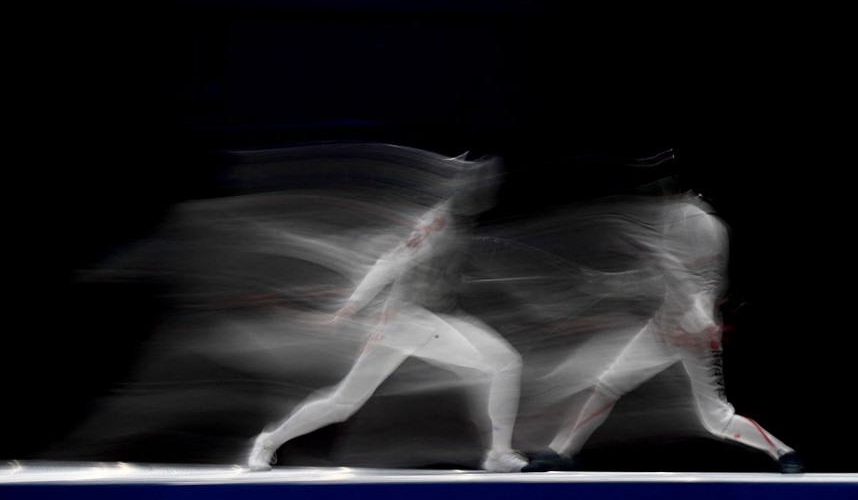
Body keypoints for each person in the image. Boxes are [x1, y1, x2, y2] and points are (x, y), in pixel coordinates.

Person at [247, 168, 527, 472]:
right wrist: (349, 308)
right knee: (497, 365)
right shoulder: (438, 221)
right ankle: (498, 453)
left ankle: (269, 440)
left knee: (343, 403)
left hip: (420, 321)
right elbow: (389, 262)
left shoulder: (458, 221)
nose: (486, 191)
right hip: (409, 321)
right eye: (479, 185)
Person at [523, 191, 804, 473]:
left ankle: (783, 452)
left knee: (716, 419)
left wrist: (701, 317)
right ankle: (560, 451)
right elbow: (663, 275)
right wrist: (609, 282)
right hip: (660, 330)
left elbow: (706, 281)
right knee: (607, 386)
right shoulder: (676, 222)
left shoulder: (702, 225)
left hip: (694, 336)